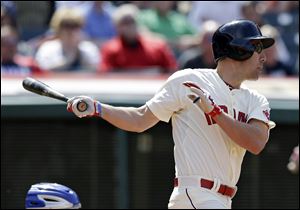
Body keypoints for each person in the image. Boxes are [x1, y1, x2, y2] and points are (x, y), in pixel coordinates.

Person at [67, 20, 275, 209]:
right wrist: (98, 108)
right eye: (257, 48)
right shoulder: (191, 80)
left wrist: (215, 112)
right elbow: (140, 120)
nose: (264, 57)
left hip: (224, 199)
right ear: (239, 50)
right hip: (196, 193)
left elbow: (256, 143)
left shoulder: (256, 100)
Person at [99, 4, 177, 73]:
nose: (130, 25)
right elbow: (104, 75)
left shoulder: (158, 47)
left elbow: (171, 71)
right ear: (117, 27)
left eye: (132, 21)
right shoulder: (110, 49)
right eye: (125, 22)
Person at [35, 8, 100, 72]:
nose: (71, 31)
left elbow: (95, 70)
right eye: (66, 26)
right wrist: (67, 61)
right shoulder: (47, 48)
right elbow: (42, 71)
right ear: (58, 29)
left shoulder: (89, 49)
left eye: (75, 26)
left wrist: (80, 54)